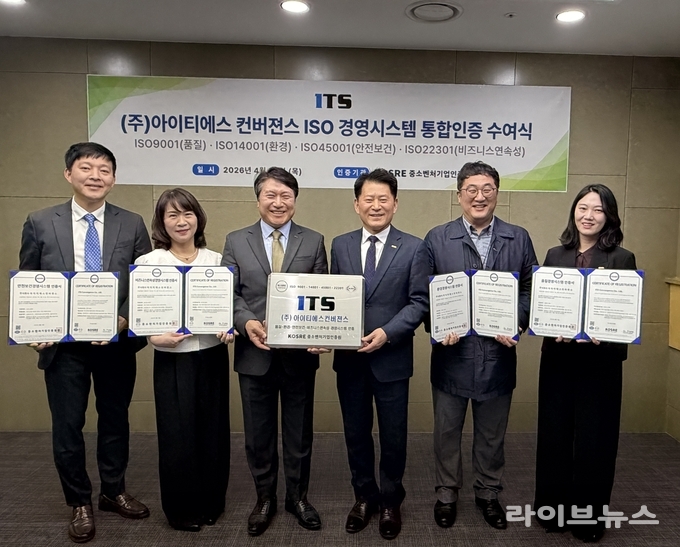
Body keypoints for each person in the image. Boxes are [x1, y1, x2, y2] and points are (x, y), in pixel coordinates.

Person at [19, 142, 152, 543]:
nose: (96, 176)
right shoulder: (41, 221)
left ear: (114, 178)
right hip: (64, 348)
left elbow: (144, 281)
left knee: (115, 419)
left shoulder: (132, 223)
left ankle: (113, 491)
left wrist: (124, 318)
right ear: (68, 174)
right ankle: (78, 501)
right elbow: (29, 280)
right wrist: (33, 327)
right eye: (86, 168)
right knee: (67, 425)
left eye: (104, 170)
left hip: (114, 343)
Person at [424, 161, 537, 531]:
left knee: (491, 434)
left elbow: (530, 288)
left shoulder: (518, 237)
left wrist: (517, 320)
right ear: (459, 195)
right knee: (446, 432)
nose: (479, 196)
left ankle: (488, 493)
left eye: (487, 189)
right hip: (452, 354)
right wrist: (438, 326)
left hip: (498, 354)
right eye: (471, 189)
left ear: (497, 195)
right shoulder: (437, 238)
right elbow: (424, 291)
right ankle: (446, 494)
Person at [221, 167, 328, 536]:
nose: (278, 202)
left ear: (295, 201)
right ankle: (264, 498)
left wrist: (320, 331)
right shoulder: (236, 240)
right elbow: (229, 293)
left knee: (299, 434)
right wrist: (247, 322)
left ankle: (298, 497)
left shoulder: (313, 241)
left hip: (299, 356)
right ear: (258, 200)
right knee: (258, 435)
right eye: (271, 195)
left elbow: (321, 294)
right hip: (254, 355)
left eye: (286, 196)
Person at [533, 184, 636, 543]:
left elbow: (625, 318)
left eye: (598, 210)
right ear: (573, 211)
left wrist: (604, 334)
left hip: (599, 365)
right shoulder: (555, 254)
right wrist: (551, 327)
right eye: (582, 208)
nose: (588, 216)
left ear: (609, 217)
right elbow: (544, 307)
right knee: (554, 436)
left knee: (596, 441)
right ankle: (552, 512)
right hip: (558, 361)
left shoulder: (622, 259)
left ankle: (588, 520)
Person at [330, 169, 429, 540]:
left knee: (393, 436)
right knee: (355, 433)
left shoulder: (415, 247)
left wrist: (388, 332)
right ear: (356, 205)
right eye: (368, 199)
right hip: (350, 359)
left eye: (383, 199)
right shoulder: (339, 245)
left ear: (395, 204)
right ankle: (364, 497)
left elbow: (419, 302)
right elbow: (331, 297)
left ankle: (390, 500)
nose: (376, 206)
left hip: (392, 358)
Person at [133, 188, 233, 532]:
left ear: (198, 219)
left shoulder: (217, 262)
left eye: (187, 213)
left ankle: (212, 504)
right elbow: (141, 315)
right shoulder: (149, 264)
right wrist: (152, 337)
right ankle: (180, 510)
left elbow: (229, 309)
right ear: (162, 222)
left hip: (211, 356)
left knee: (213, 432)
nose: (181, 221)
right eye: (172, 215)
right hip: (172, 359)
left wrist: (228, 329)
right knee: (177, 435)